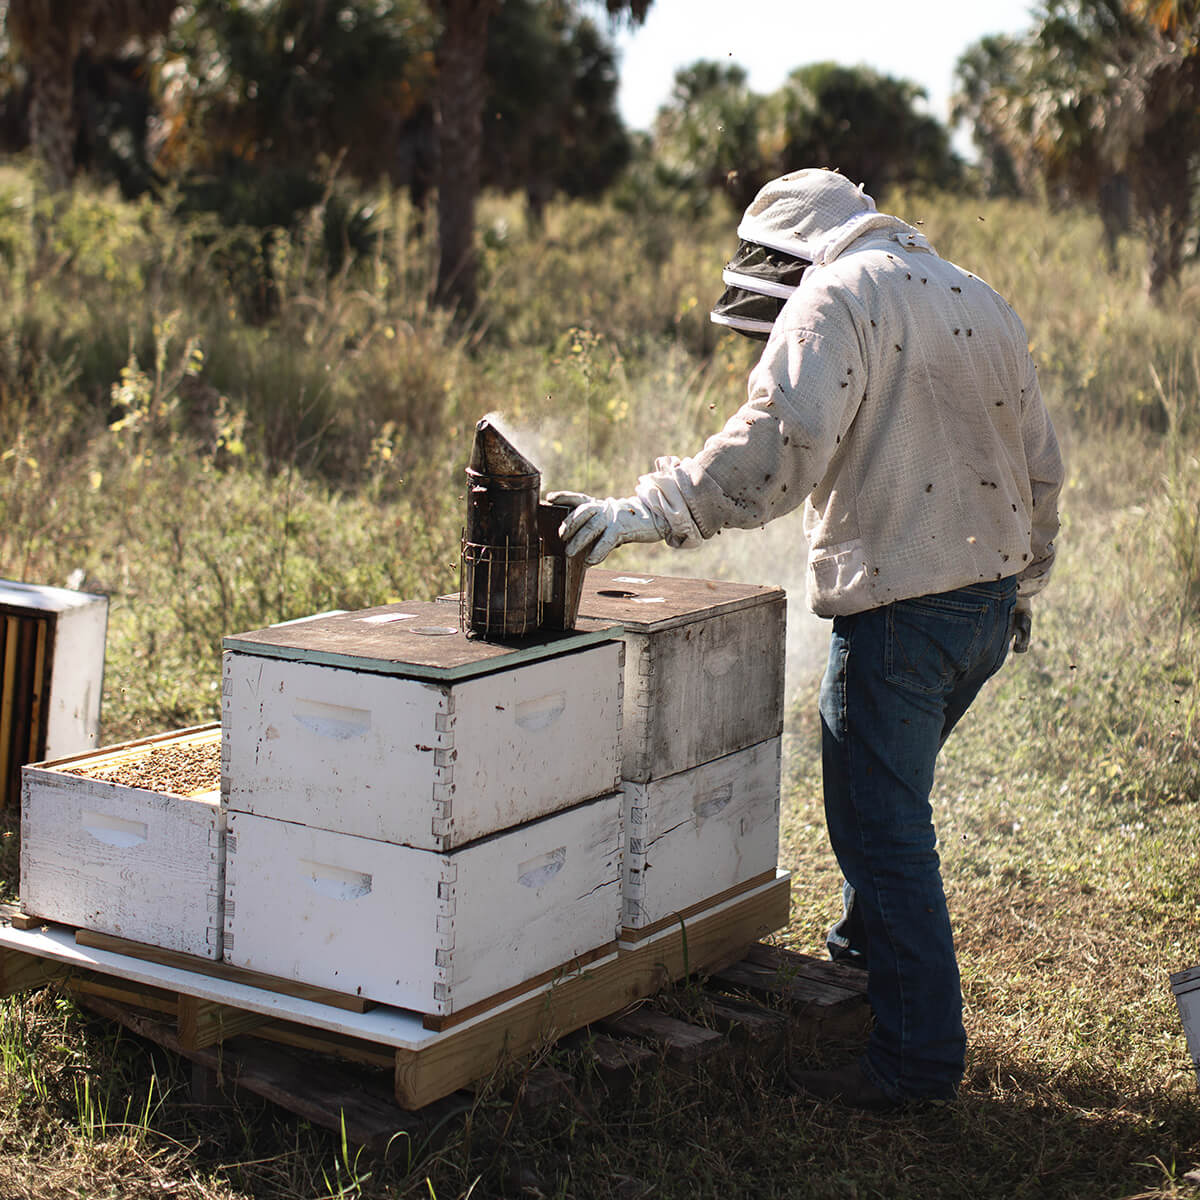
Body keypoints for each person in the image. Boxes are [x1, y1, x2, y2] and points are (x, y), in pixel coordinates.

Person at [547, 168, 1064, 1111]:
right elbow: (1041, 462)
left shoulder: (839, 294)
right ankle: (865, 979)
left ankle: (916, 1062)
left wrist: (644, 512)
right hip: (986, 604)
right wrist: (1024, 581)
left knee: (882, 827)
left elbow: (775, 445)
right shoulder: (973, 293)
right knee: (883, 794)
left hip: (903, 611)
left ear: (792, 252)